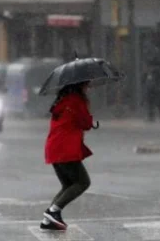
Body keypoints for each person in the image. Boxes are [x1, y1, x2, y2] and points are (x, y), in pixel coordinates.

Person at [40, 82, 94, 231]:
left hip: (54, 147)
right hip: (65, 148)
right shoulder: (76, 100)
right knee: (82, 182)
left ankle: (48, 220)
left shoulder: (62, 99)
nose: (88, 88)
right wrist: (91, 119)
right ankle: (53, 211)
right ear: (79, 86)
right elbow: (85, 123)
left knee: (68, 184)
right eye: (86, 85)